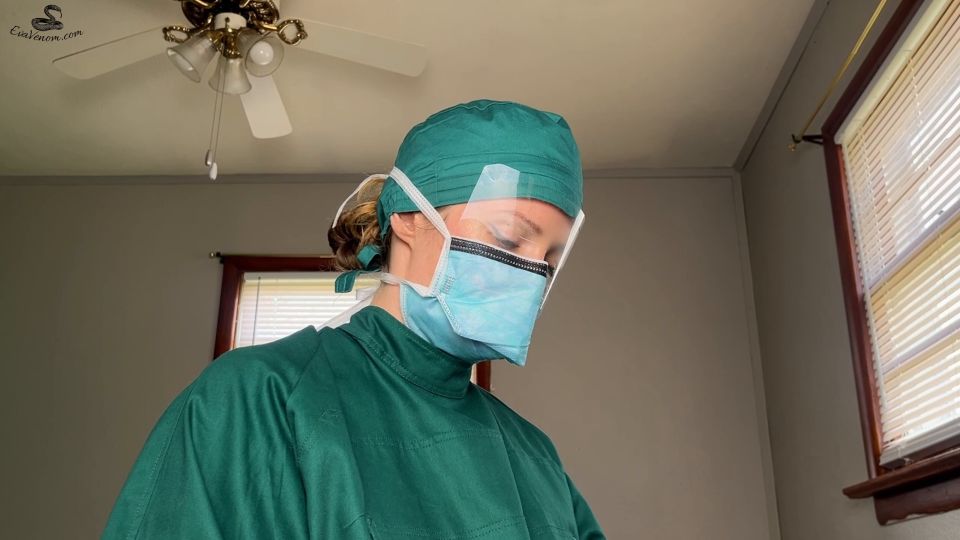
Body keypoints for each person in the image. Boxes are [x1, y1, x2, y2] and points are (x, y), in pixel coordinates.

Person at [102, 99, 605, 539]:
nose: (533, 272)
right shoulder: (260, 399)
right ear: (408, 218)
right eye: (509, 238)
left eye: (551, 258)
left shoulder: (535, 457)